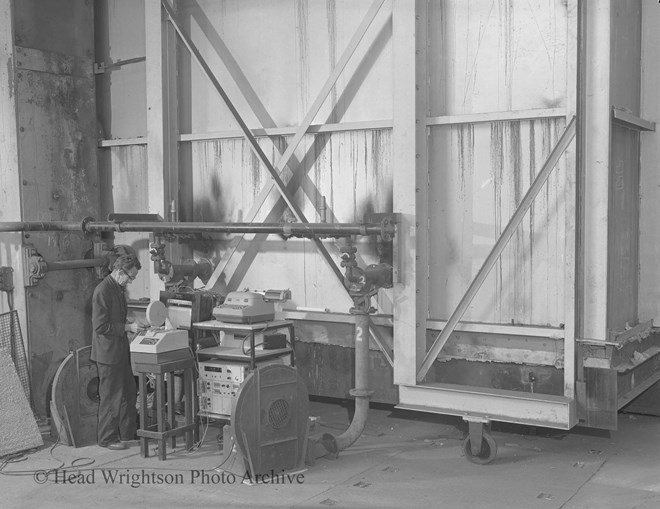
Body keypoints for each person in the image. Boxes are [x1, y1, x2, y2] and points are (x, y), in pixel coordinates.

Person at [91, 254, 145, 450]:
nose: (130, 281)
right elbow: (100, 326)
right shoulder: (103, 291)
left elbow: (116, 319)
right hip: (108, 355)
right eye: (130, 277)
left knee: (129, 394)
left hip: (120, 352)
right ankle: (106, 438)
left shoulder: (118, 289)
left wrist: (130, 324)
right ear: (120, 272)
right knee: (111, 397)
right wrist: (126, 328)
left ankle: (127, 435)